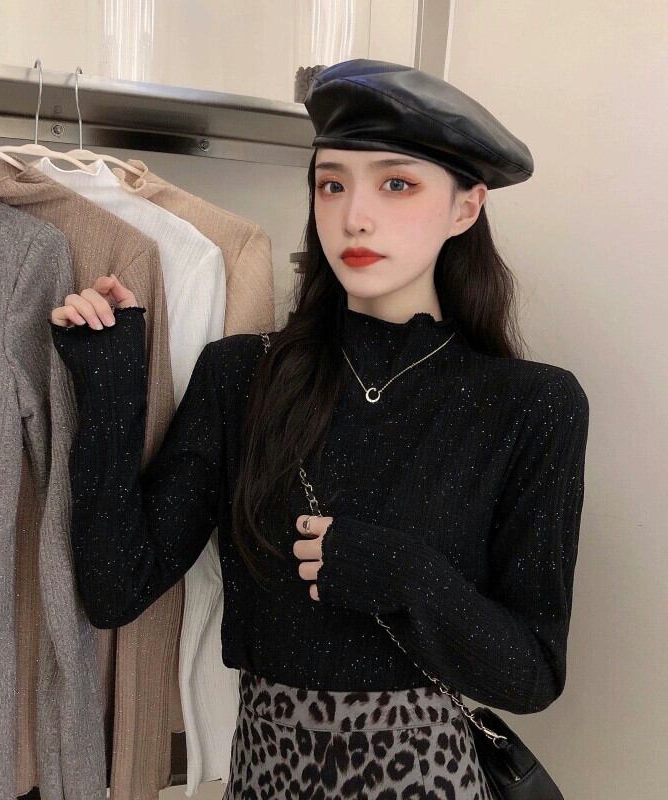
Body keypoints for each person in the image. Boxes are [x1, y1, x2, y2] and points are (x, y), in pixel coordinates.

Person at [49, 59, 590, 800]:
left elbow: (531, 675)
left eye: (396, 185)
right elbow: (116, 588)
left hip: (428, 780)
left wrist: (401, 574)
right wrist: (110, 385)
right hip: (265, 776)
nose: (354, 216)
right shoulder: (242, 376)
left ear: (466, 208)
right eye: (332, 184)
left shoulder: (531, 405)